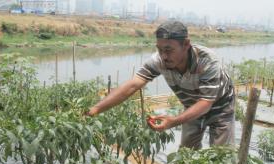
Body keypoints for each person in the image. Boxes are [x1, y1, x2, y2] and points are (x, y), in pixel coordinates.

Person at [87, 21, 235, 149]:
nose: (164, 56)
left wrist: (174, 121)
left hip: (221, 107)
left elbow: (205, 103)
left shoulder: (206, 61)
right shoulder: (159, 61)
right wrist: (95, 109)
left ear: (186, 45)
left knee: (221, 157)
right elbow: (133, 85)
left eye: (169, 50)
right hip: (191, 107)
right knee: (186, 153)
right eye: (160, 49)